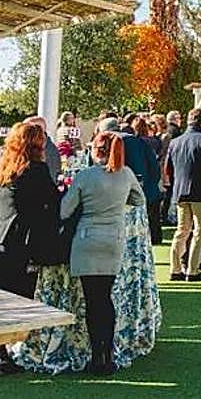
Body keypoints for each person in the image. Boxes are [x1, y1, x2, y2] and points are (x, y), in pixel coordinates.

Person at [0, 121, 61, 377]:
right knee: (18, 301)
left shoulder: (6, 166)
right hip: (22, 241)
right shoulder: (37, 169)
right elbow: (53, 202)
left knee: (0, 300)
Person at [61, 131, 144, 376]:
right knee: (106, 299)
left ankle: (96, 356)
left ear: (95, 150)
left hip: (87, 239)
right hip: (113, 239)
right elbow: (139, 199)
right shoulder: (125, 174)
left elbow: (65, 210)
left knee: (92, 300)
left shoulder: (85, 176)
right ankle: (107, 355)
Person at [166, 108, 201, 282]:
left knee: (182, 231)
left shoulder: (175, 142)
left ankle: (175, 268)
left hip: (181, 191)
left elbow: (169, 169)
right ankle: (193, 270)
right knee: (199, 232)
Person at [129, 116, 164, 245]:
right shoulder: (153, 141)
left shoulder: (135, 143)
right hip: (151, 182)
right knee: (154, 213)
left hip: (141, 181)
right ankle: (156, 237)